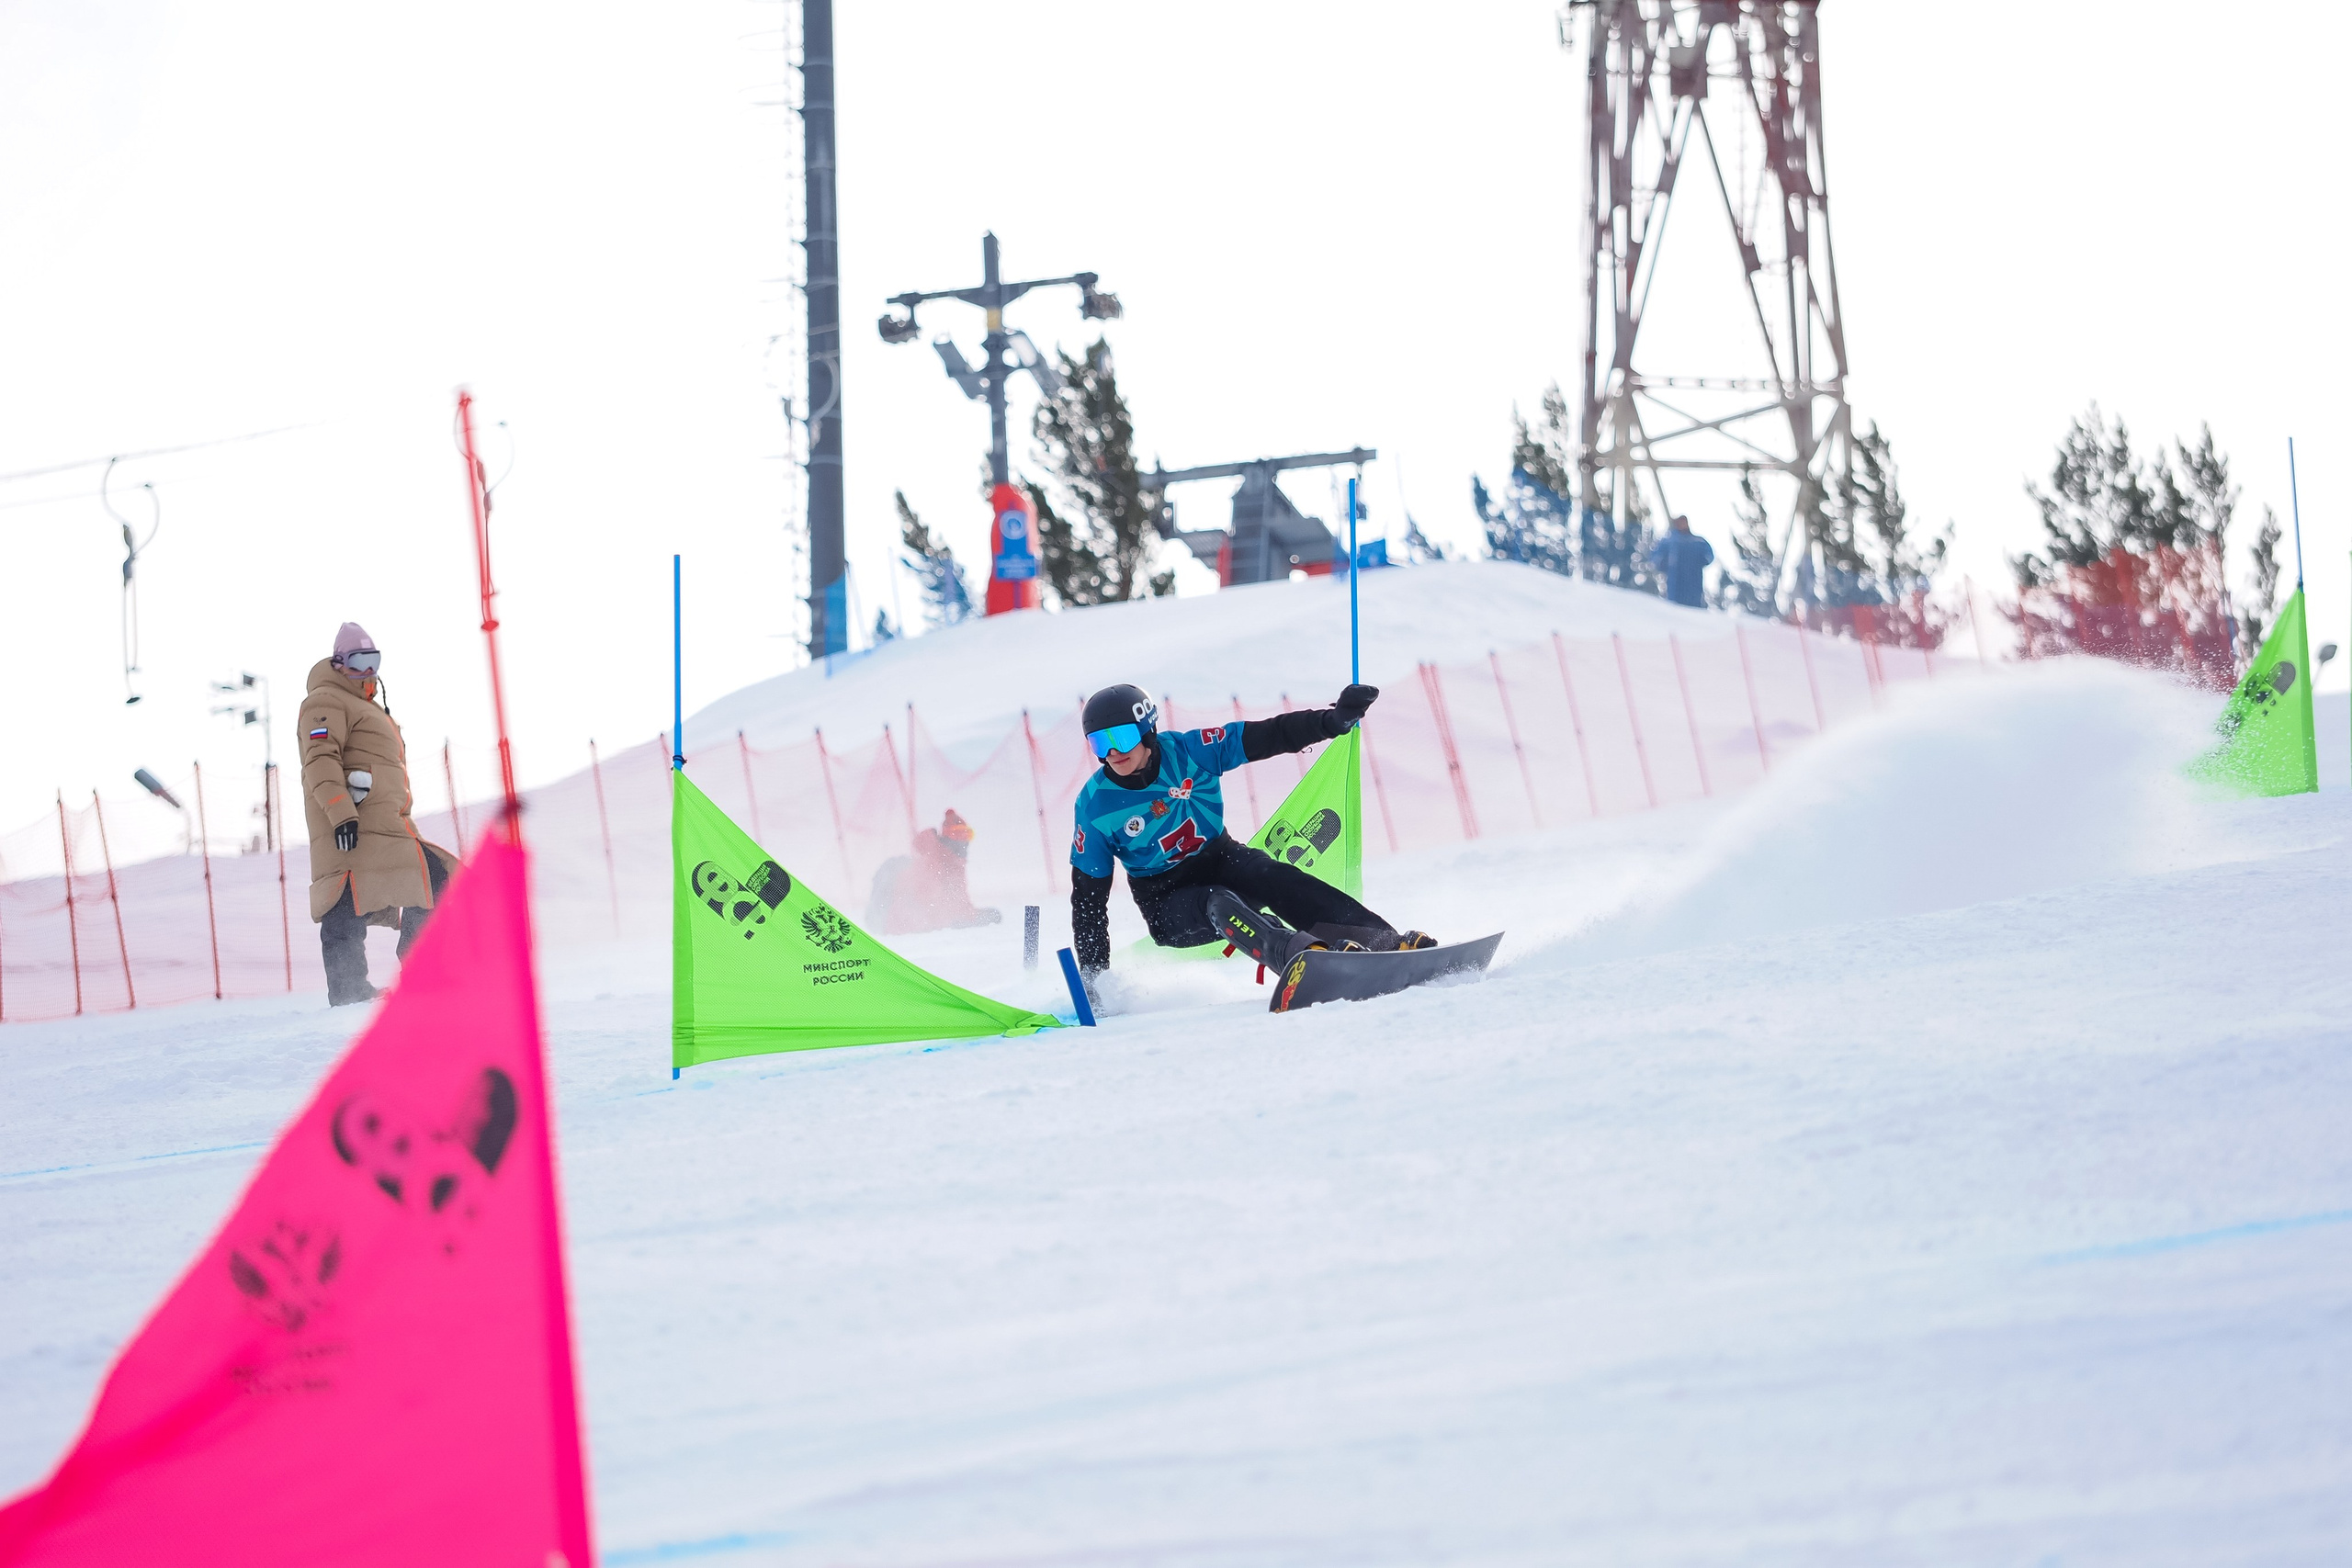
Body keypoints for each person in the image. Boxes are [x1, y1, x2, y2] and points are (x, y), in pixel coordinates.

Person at [1069, 682, 1435, 988]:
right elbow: (1088, 902)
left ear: (1147, 730)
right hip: (1165, 900)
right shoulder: (1094, 807)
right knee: (1219, 901)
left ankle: (1384, 943)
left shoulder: (1191, 752)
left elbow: (1268, 735)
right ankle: (1300, 957)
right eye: (1100, 743)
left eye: (1122, 738)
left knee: (1273, 876)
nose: (1112, 752)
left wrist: (1331, 721)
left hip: (1220, 857)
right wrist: (1094, 985)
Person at [299, 622, 460, 1006]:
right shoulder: (325, 701)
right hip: (351, 823)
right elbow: (319, 759)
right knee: (345, 899)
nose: (368, 670)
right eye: (359, 661)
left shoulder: (365, 705)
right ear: (339, 663)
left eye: (374, 660)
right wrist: (341, 812)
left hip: (386, 823)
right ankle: (350, 990)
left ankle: (418, 973)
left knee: (434, 879)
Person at [867, 808, 1002, 934]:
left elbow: (959, 901)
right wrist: (952, 921)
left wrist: (974, 917)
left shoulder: (954, 865)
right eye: (958, 834)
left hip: (926, 922)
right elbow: (929, 902)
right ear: (948, 837)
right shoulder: (932, 858)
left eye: (967, 834)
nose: (964, 840)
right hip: (903, 925)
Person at [1648, 513, 1715, 608]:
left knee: (1693, 607)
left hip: (1694, 582)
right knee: (1675, 607)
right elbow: (1656, 559)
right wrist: (1665, 565)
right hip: (1675, 583)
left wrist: (1700, 561)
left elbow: (1709, 556)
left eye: (1684, 522)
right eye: (1680, 522)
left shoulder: (1698, 541)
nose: (1682, 525)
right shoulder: (1669, 542)